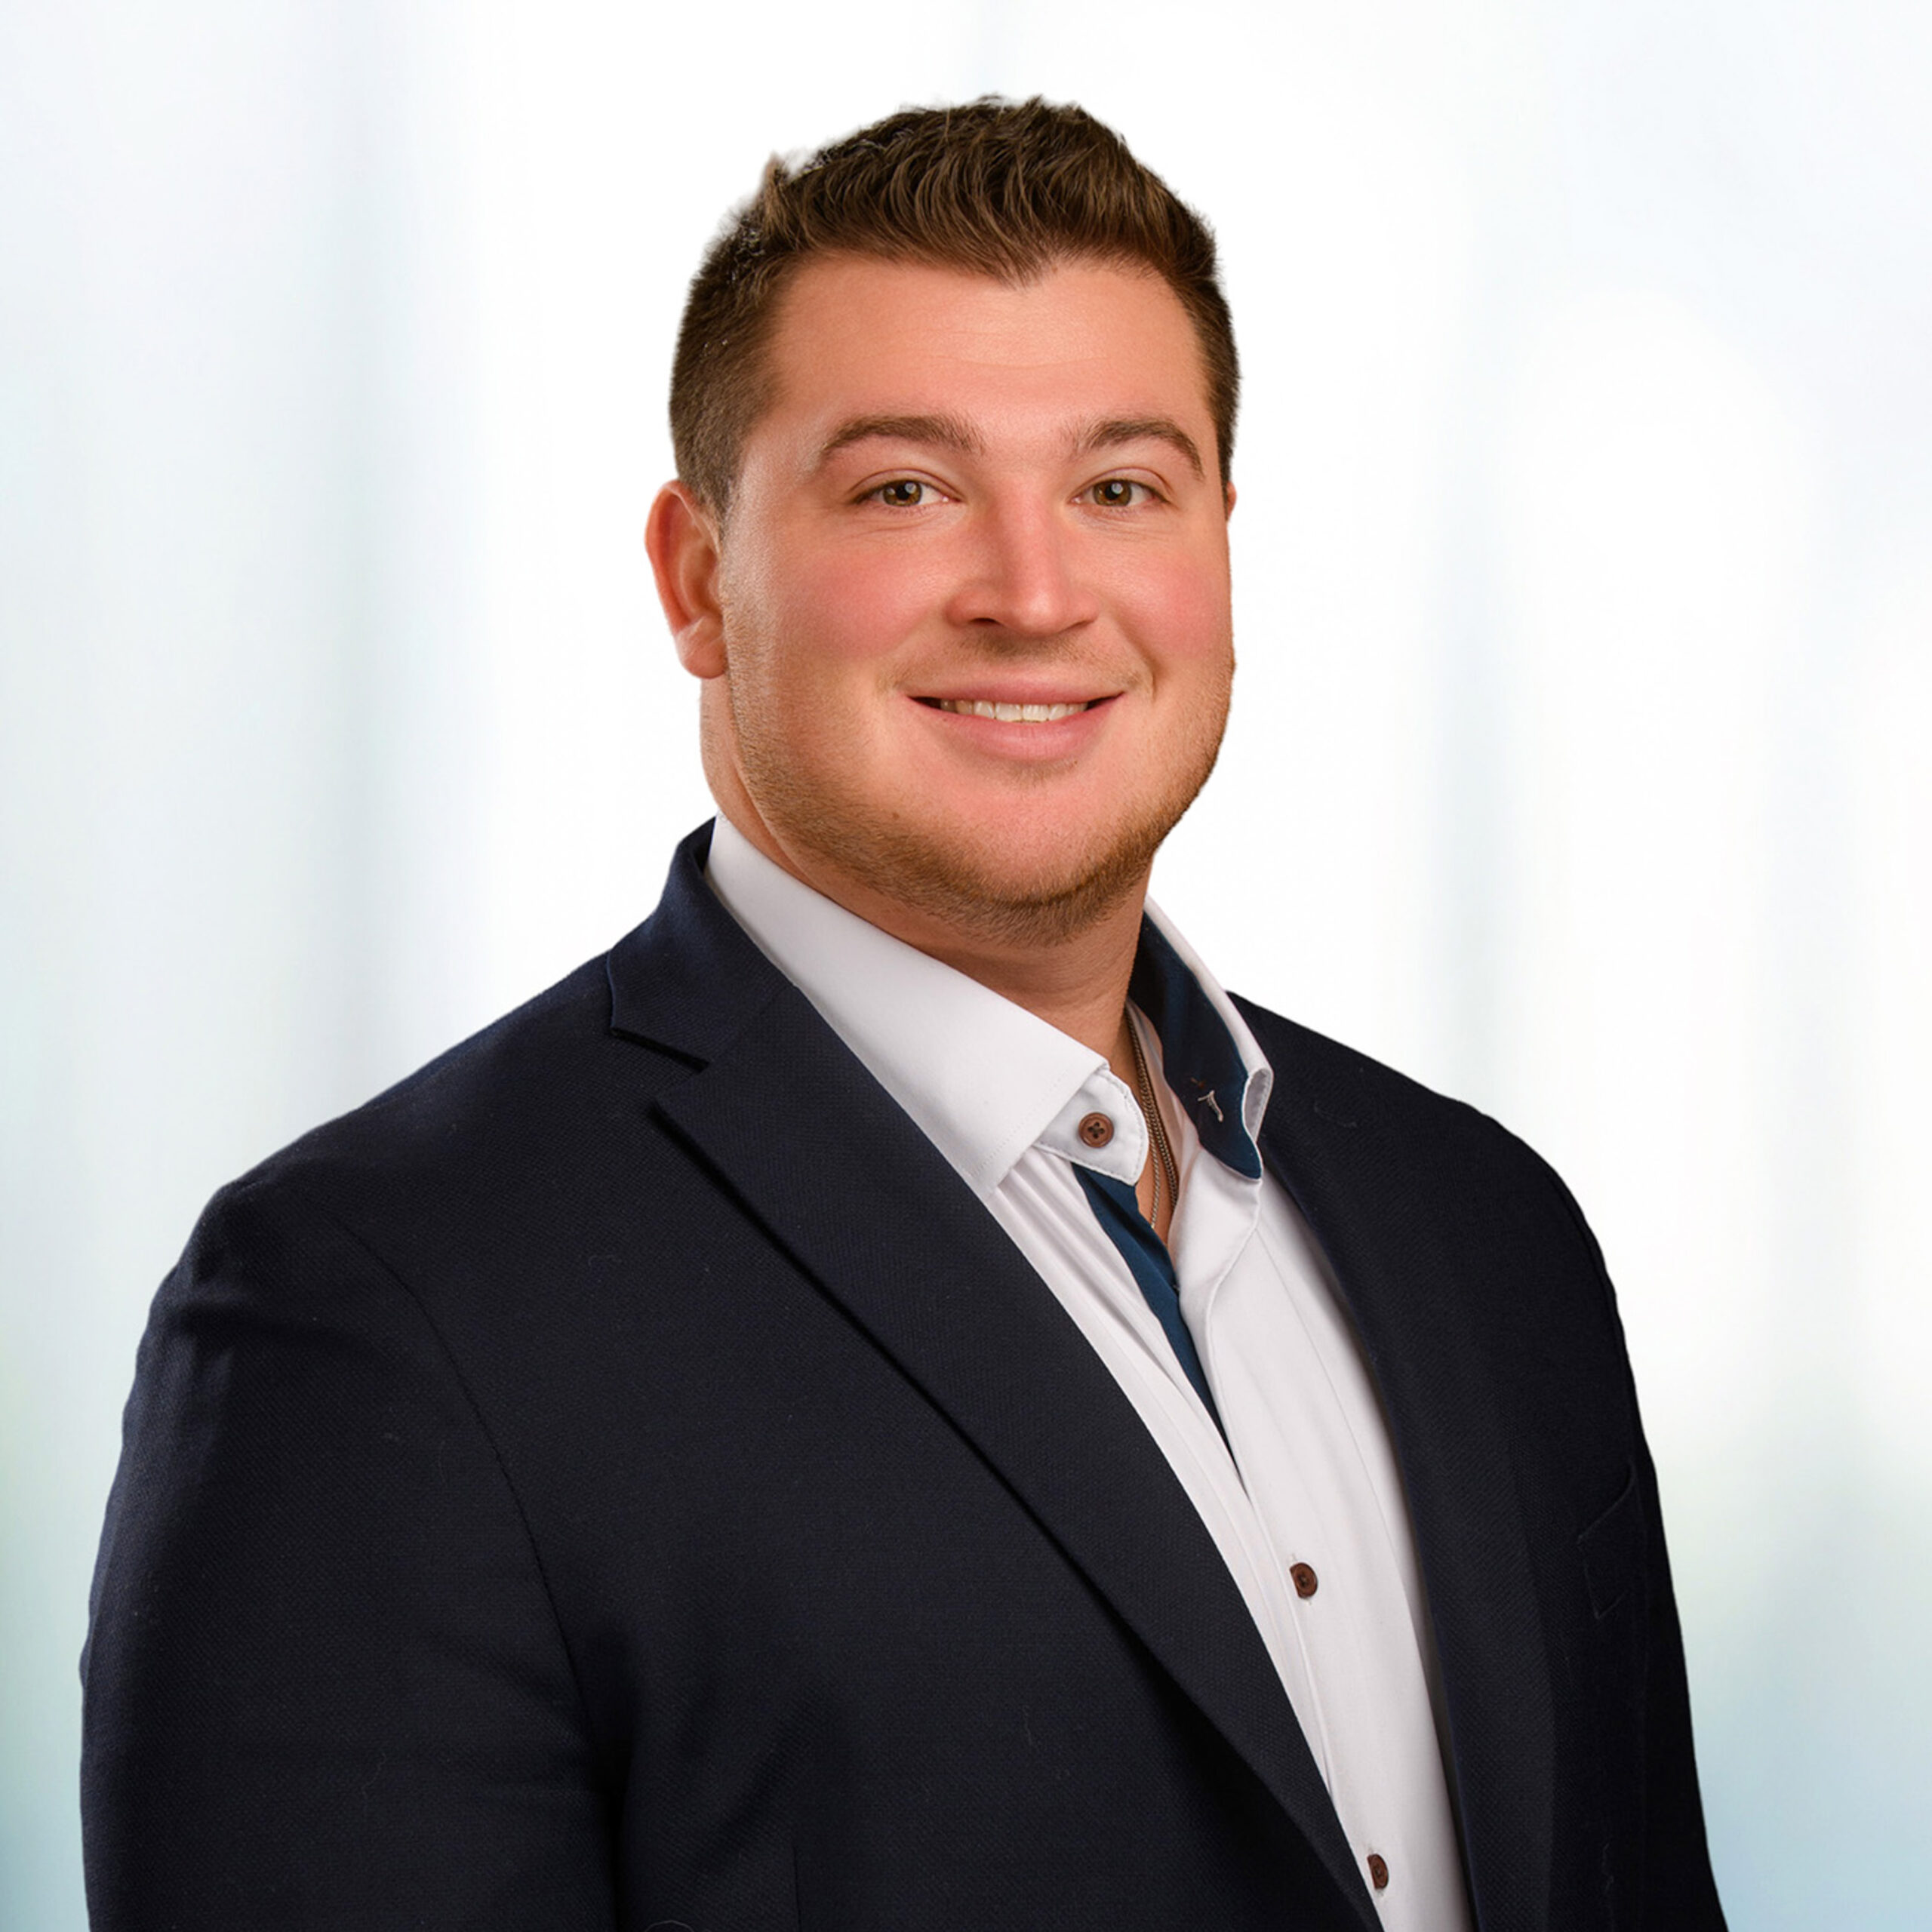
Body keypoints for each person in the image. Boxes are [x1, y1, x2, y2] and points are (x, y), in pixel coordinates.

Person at [81, 99, 1726, 1930]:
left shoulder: (1484, 1228)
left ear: (1221, 548)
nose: (1033, 595)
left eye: (1118, 487)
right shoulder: (376, 1306)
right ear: (700, 578)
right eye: (903, 488)